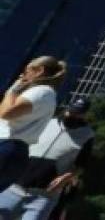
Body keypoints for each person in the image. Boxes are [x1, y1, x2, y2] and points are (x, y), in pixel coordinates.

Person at [0, 97, 94, 220]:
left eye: (78, 113)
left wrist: (67, 177)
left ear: (84, 115)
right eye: (71, 111)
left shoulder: (87, 135)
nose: (72, 115)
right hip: (13, 188)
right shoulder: (47, 122)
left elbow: (81, 165)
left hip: (44, 196)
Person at [0, 58, 66, 194]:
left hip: (7, 145)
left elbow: (6, 113)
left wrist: (12, 90)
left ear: (39, 71)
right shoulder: (47, 95)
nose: (22, 76)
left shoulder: (41, 92)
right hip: (15, 149)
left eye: (26, 71)